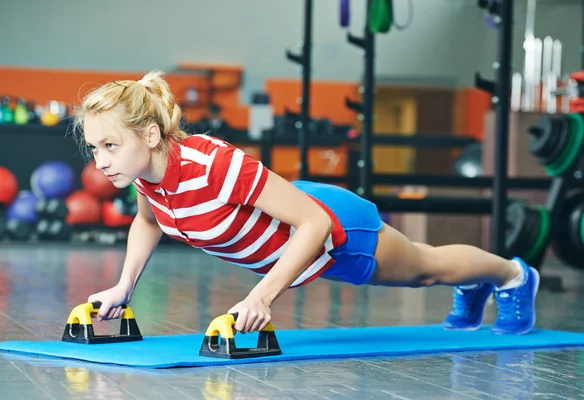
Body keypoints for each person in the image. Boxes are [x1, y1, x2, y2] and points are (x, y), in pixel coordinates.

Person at [72, 71, 539, 336]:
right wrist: (123, 287)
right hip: (295, 243)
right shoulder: (147, 173)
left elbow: (314, 222)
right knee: (425, 272)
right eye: (94, 148)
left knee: (426, 267)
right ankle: (478, 283)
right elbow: (149, 223)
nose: (100, 161)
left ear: (150, 135)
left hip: (332, 229)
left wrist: (262, 296)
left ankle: (513, 275)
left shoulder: (213, 165)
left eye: (109, 146)